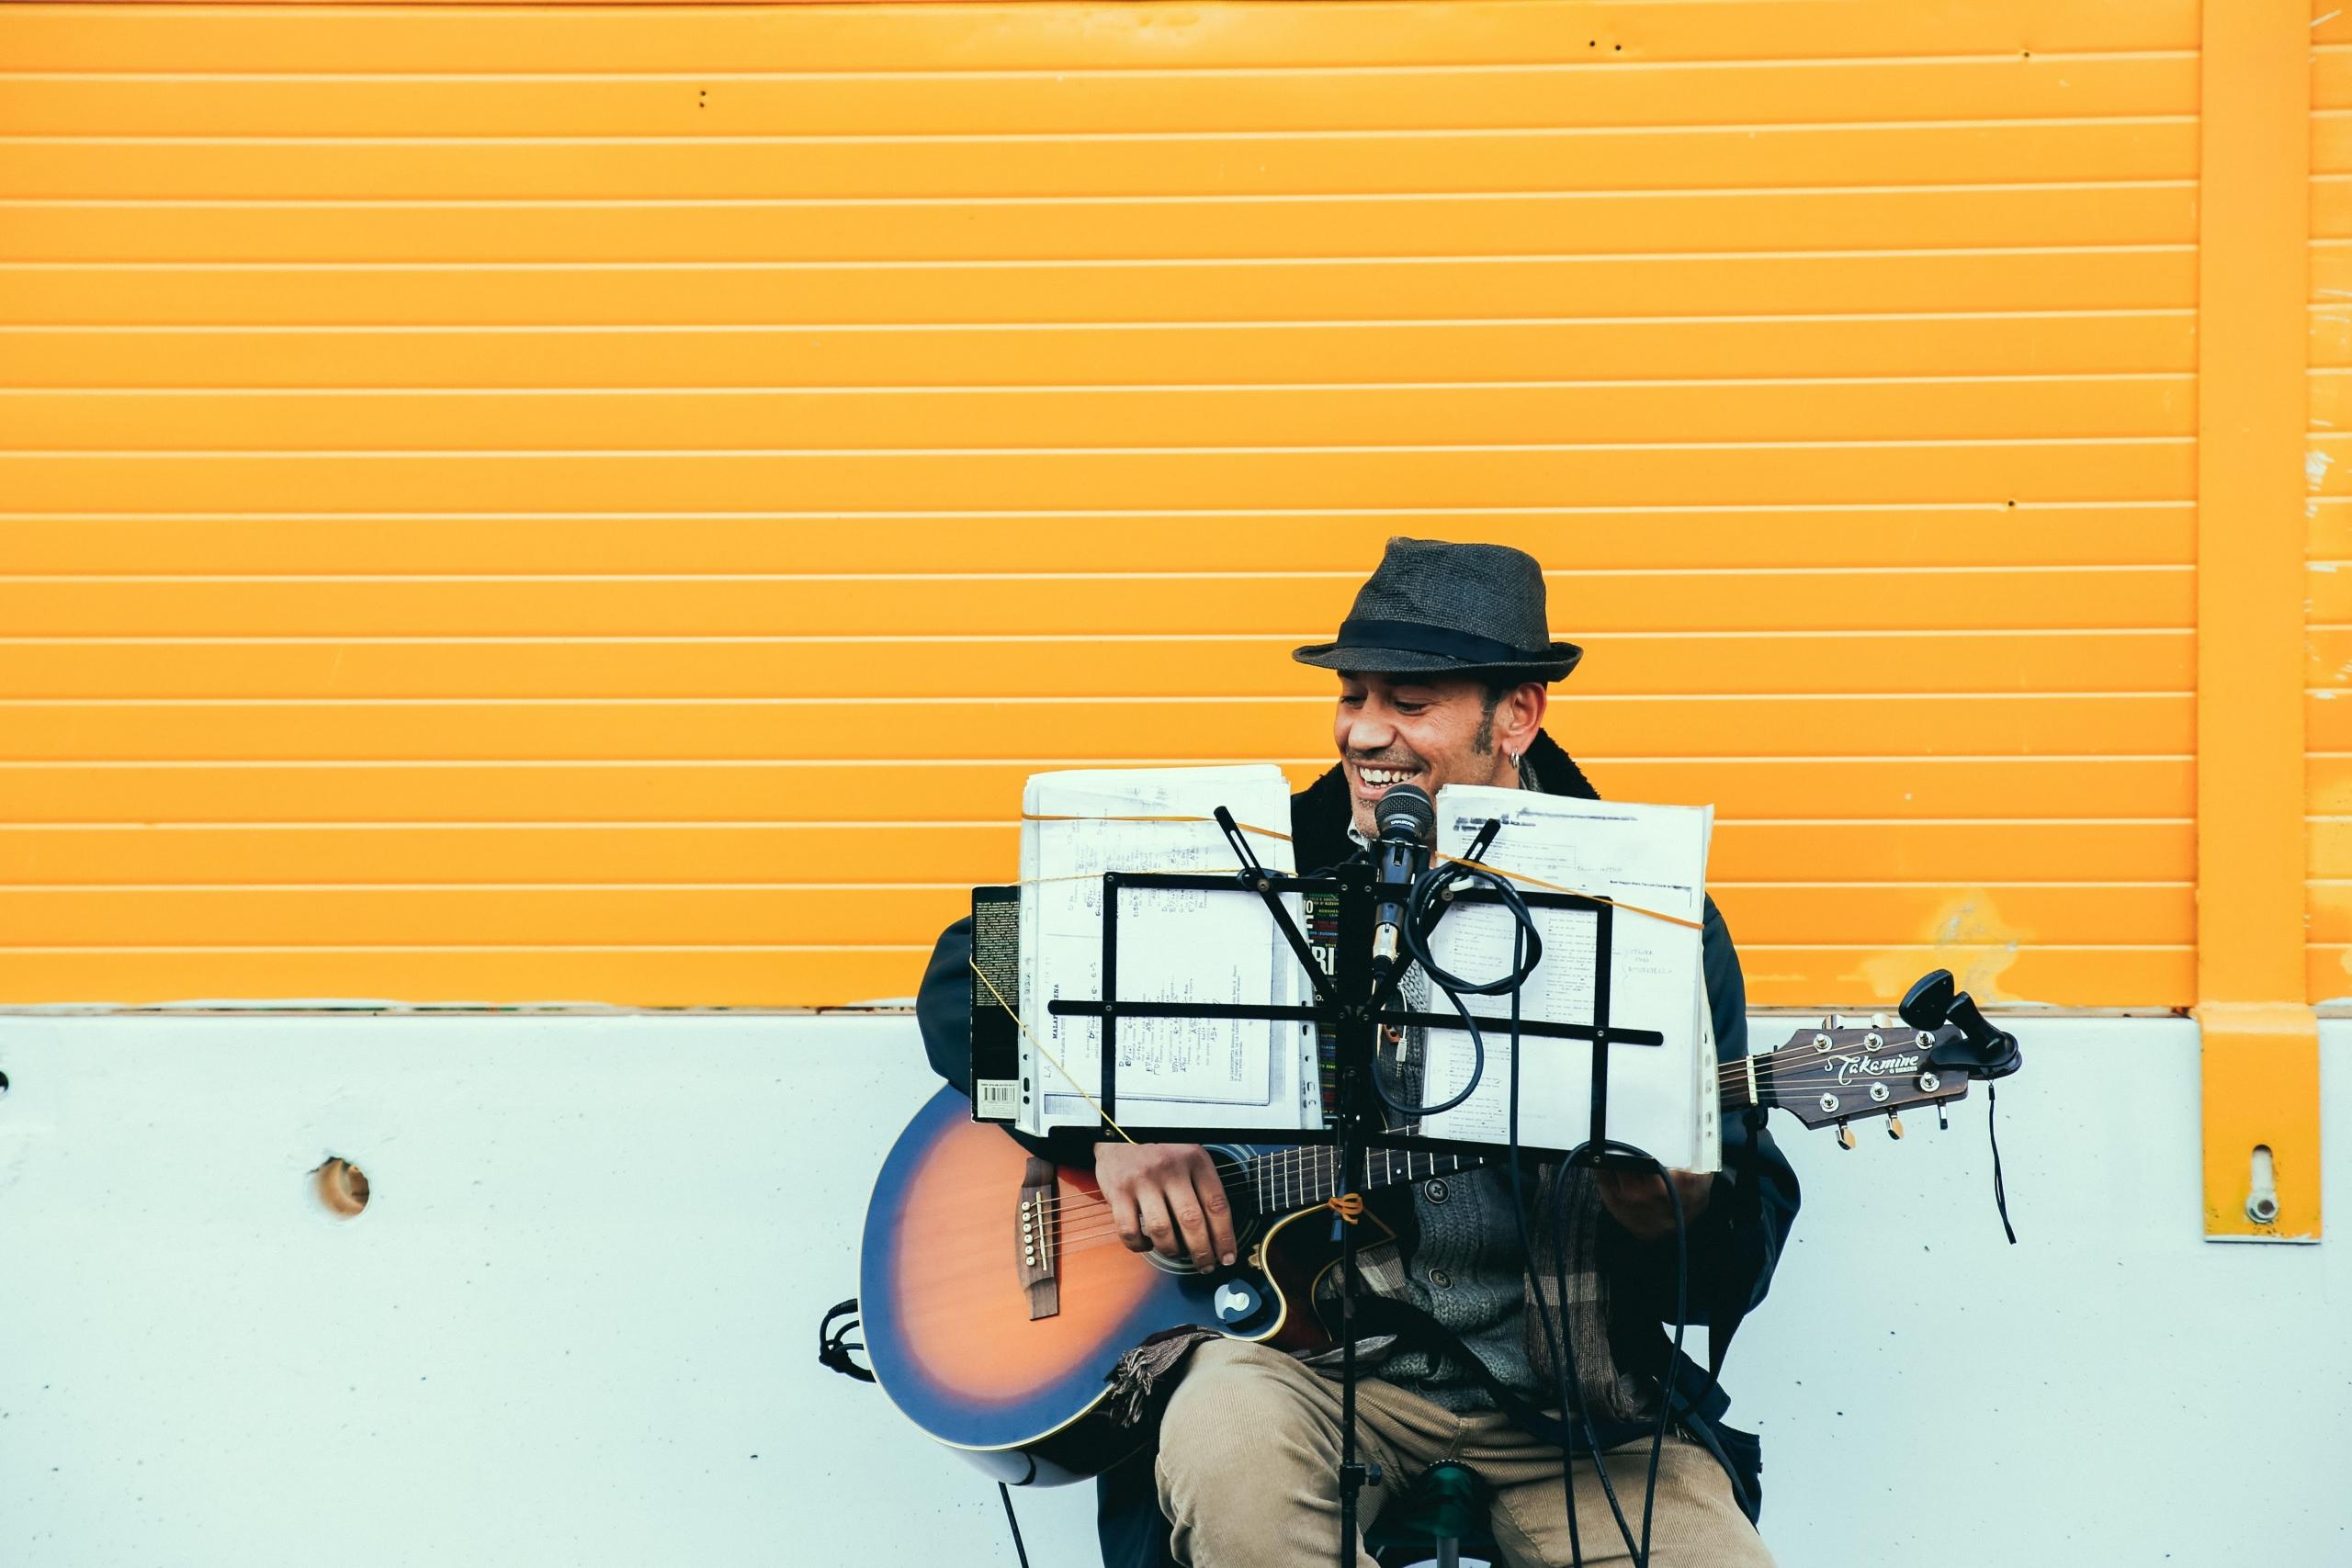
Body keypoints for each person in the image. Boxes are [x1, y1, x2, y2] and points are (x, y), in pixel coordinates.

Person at [916, 538, 1800, 1567]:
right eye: (1352, 694)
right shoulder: (1261, 856)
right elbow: (970, 970)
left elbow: (1734, 1249)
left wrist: (1672, 1216)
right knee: (1225, 1450)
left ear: (1516, 715)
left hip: (1567, 1402)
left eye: (1410, 700)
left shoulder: (1651, 919)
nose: (1364, 730)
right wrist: (1111, 1127)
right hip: (1296, 1361)